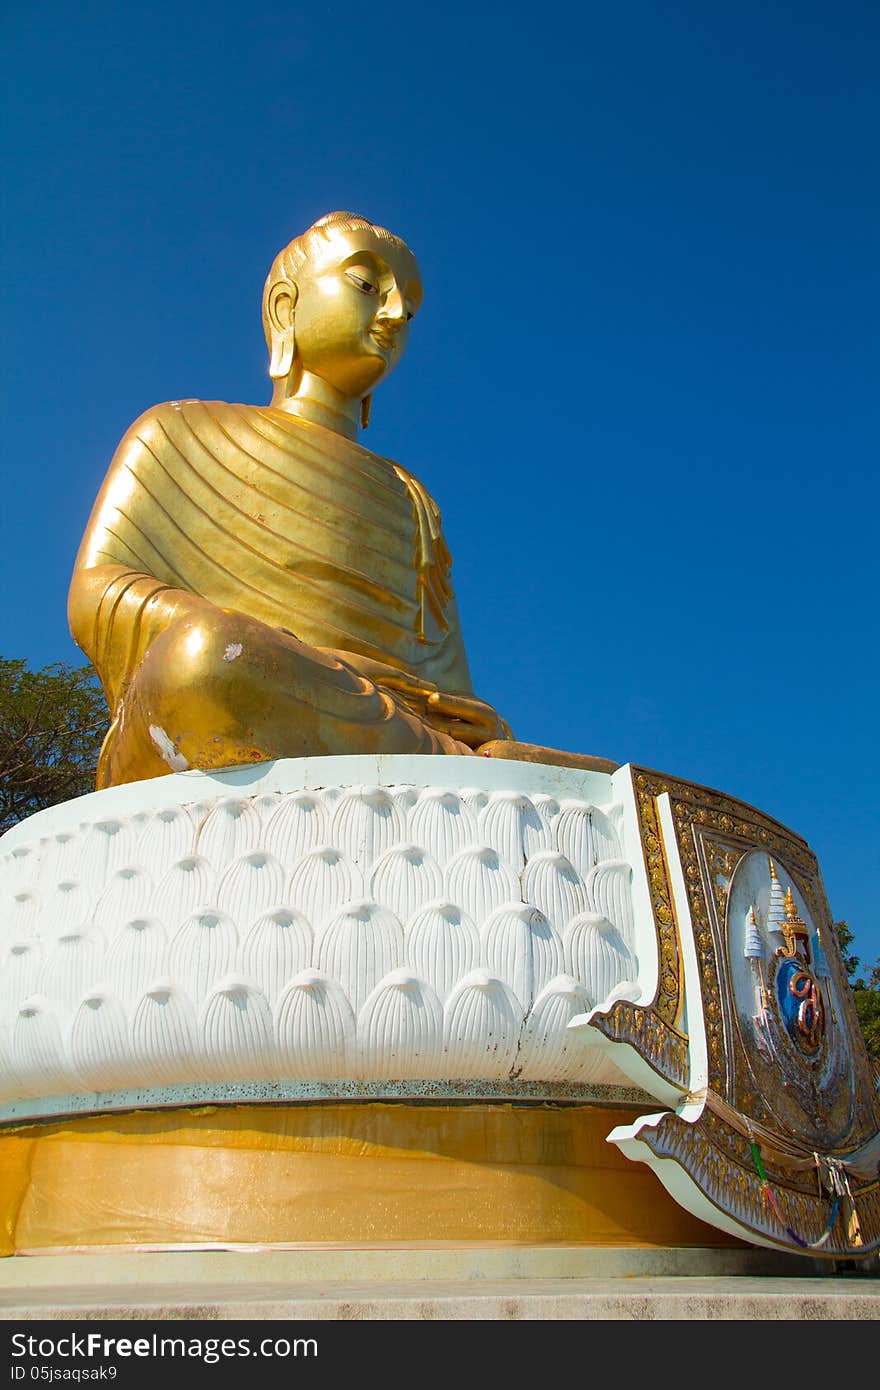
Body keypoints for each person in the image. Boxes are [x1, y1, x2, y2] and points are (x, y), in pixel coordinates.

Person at [69, 212, 615, 788]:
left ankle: (451, 760)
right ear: (285, 308)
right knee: (206, 658)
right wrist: (281, 652)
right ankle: (456, 768)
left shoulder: (410, 496)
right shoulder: (181, 430)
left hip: (388, 713)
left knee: (503, 744)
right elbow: (97, 591)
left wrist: (445, 708)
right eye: (366, 285)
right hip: (241, 686)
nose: (396, 312)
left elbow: (446, 684)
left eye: (410, 304)